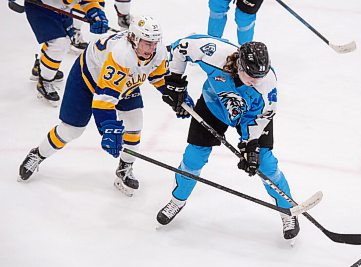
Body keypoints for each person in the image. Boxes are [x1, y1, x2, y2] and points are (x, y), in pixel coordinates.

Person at [18, 15, 189, 197]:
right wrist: (108, 129)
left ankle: (125, 168)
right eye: (148, 43)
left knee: (134, 124)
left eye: (155, 42)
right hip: (88, 78)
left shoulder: (158, 51)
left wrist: (175, 96)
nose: (152, 48)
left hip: (124, 81)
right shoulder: (122, 55)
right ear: (134, 39)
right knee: (71, 130)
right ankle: (38, 154)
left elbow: (157, 75)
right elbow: (103, 102)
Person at [159, 35, 300, 240]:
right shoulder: (214, 53)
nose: (256, 82)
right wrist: (175, 81)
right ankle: (177, 201)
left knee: (265, 163)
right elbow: (181, 48)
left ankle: (288, 211)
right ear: (240, 66)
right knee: (194, 156)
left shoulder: (267, 83)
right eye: (251, 76)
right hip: (213, 106)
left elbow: (263, 116)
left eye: (260, 76)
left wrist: (249, 145)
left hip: (250, 118)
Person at [24, 0, 109, 105]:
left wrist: (97, 14)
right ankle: (45, 80)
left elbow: (87, 2)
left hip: (63, 11)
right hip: (41, 8)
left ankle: (41, 66)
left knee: (60, 41)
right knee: (59, 43)